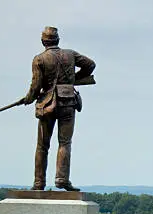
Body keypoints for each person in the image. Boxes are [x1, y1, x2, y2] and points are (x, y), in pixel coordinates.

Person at [22, 26, 96, 191]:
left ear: (43, 42)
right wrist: (72, 80)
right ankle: (62, 179)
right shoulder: (70, 54)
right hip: (68, 102)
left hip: (47, 104)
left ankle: (38, 182)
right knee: (65, 142)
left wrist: (28, 98)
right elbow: (91, 65)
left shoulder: (39, 59)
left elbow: (36, 87)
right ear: (58, 41)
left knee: (42, 145)